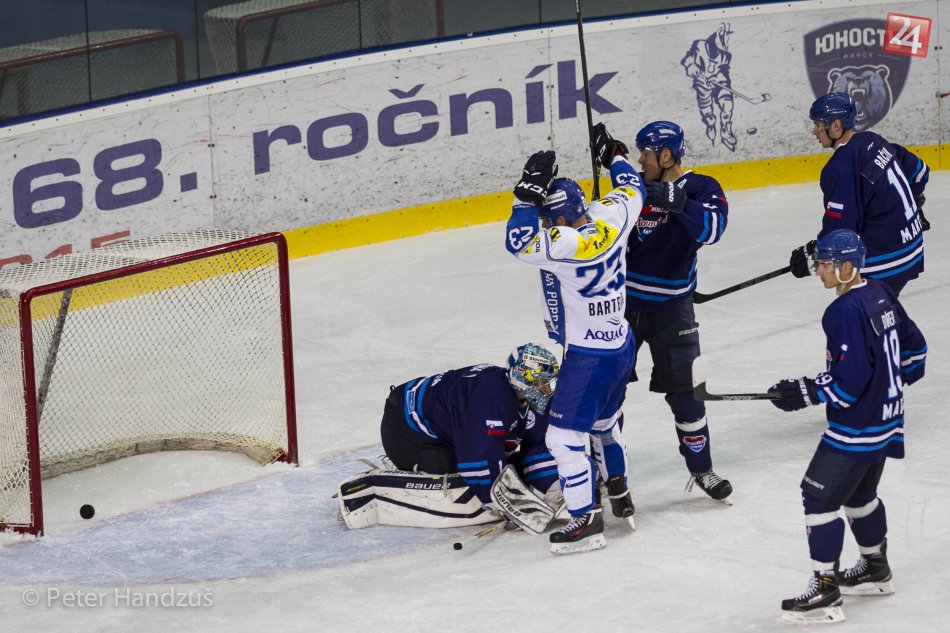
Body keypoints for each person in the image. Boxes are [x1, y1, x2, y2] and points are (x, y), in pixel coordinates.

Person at [767, 229, 927, 624]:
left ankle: (825, 588)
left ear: (848, 267)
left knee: (818, 498)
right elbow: (916, 349)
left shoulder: (842, 311)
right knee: (860, 494)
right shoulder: (881, 291)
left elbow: (848, 384)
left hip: (858, 427)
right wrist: (892, 384)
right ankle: (875, 569)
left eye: (826, 264)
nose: (819, 270)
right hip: (888, 418)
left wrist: (802, 392)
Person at [505, 136, 643, 554]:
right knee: (604, 424)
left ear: (561, 218)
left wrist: (524, 197)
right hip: (621, 344)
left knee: (563, 439)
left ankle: (586, 520)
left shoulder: (565, 243)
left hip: (589, 356)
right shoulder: (613, 214)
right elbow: (632, 185)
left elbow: (518, 242)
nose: (546, 226)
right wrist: (615, 156)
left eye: (549, 220)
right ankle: (619, 490)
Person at [616, 119, 732, 503]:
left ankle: (702, 469)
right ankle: (607, 474)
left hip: (673, 309)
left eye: (646, 153)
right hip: (623, 308)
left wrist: (678, 202)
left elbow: (713, 229)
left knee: (687, 396)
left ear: (667, 155)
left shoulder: (700, 188)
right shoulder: (635, 187)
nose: (641, 160)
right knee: (605, 393)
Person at [379, 343, 561, 508]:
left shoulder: (530, 398)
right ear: (523, 379)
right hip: (405, 428)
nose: (548, 389)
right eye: (542, 382)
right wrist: (495, 499)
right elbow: (478, 454)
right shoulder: (487, 398)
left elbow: (537, 444)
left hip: (450, 429)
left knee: (507, 465)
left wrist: (556, 488)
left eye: (549, 381)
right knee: (457, 473)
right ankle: (407, 466)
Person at [789, 92, 930, 296]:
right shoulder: (873, 140)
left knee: (856, 311)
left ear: (836, 126)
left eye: (818, 125)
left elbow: (841, 231)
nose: (814, 131)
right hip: (912, 248)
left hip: (884, 262)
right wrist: (913, 205)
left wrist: (813, 256)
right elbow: (920, 172)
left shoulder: (839, 168)